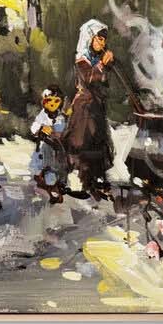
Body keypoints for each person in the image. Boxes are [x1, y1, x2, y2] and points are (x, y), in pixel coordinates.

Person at [66, 19, 114, 199]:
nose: (102, 43)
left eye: (104, 40)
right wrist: (102, 64)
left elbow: (104, 82)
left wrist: (105, 65)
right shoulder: (82, 59)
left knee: (98, 141)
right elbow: (88, 78)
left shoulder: (96, 58)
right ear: (89, 38)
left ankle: (95, 179)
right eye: (99, 39)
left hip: (96, 106)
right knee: (82, 142)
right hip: (84, 108)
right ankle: (80, 180)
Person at [30, 85, 69, 203]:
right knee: (46, 171)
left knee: (60, 167)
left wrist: (60, 133)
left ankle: (59, 184)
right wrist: (41, 129)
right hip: (45, 148)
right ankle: (50, 183)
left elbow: (66, 131)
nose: (52, 104)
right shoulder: (42, 116)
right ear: (44, 102)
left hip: (59, 148)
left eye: (56, 101)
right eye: (49, 101)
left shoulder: (62, 117)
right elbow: (34, 129)